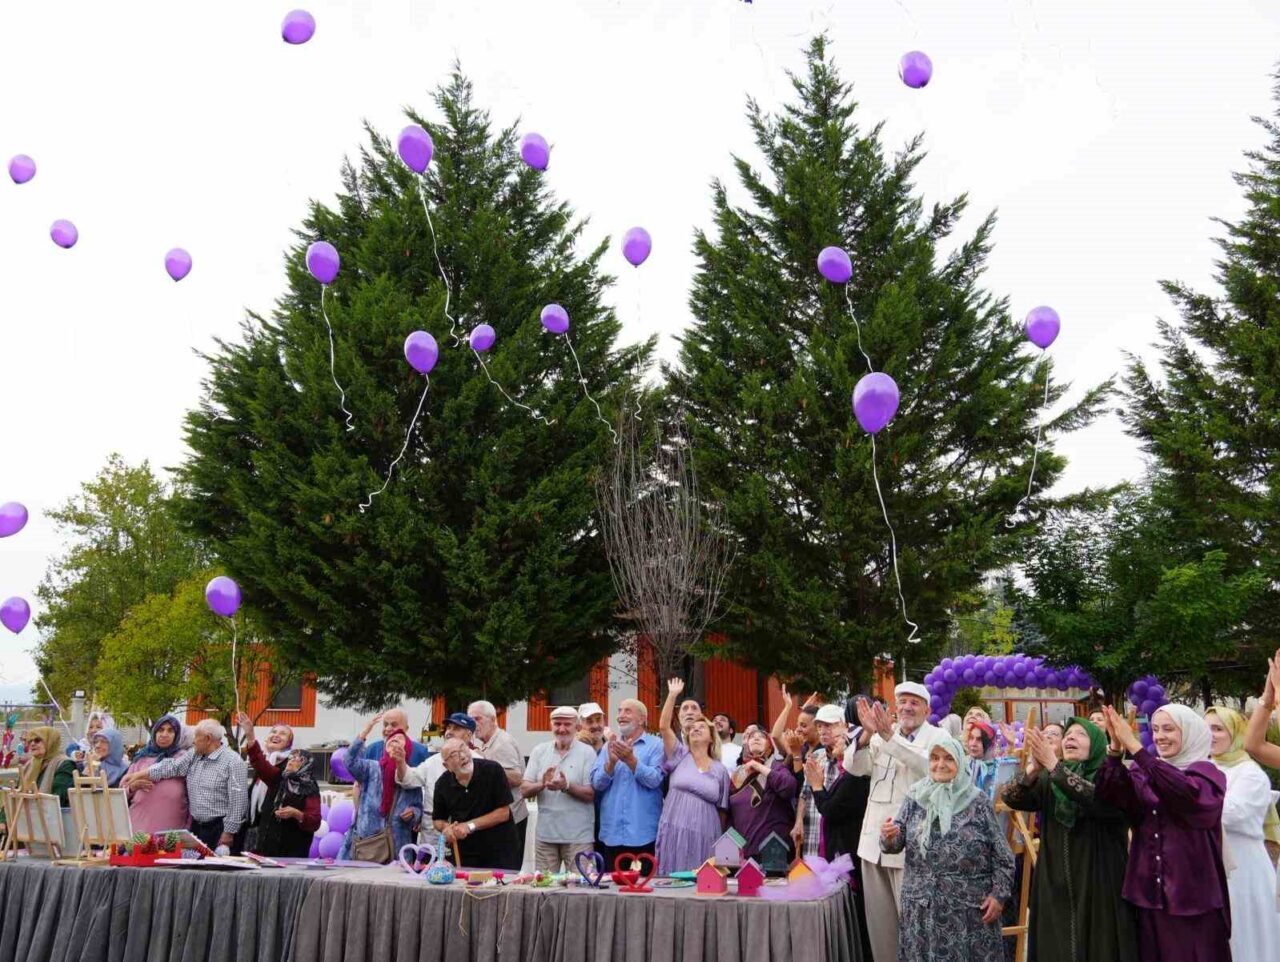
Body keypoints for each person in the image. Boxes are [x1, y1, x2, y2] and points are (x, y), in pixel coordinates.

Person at [1096, 705, 1230, 962]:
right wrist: (1115, 749)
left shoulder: (1207, 775)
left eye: (1169, 729)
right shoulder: (1143, 772)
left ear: (1189, 732)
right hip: (1149, 893)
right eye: (1155, 729)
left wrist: (1137, 749)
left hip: (1192, 895)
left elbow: (1184, 794)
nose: (1159, 737)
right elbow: (1110, 796)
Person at [1001, 719, 1139, 962]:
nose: (1071, 737)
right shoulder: (1051, 779)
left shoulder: (1112, 777)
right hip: (1055, 884)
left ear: (1097, 744)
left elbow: (1097, 800)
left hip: (1099, 886)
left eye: (1081, 734)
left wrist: (1054, 766)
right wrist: (1033, 769)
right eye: (1068, 734)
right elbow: (1010, 797)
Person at [880, 736, 1014, 962]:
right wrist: (888, 836)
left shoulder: (977, 802)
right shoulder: (915, 797)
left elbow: (1003, 857)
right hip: (921, 910)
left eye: (948, 758)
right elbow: (895, 842)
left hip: (967, 914)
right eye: (934, 758)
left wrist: (998, 896)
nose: (940, 764)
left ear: (960, 762)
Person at [848, 683, 949, 962]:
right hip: (872, 846)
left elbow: (929, 766)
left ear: (927, 709)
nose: (907, 707)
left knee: (917, 927)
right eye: (902, 702)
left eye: (914, 703)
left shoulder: (938, 737)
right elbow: (854, 767)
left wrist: (890, 737)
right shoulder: (880, 735)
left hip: (913, 850)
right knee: (881, 931)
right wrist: (866, 734)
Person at [1206, 705, 1280, 958]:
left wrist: (1192, 801)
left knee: (1245, 932)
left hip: (1244, 866)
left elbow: (1234, 813)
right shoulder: (1202, 767)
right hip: (1210, 863)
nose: (1210, 735)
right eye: (1206, 729)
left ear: (1235, 732)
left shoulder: (1250, 773)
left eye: (1218, 729)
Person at [124, 719, 247, 853]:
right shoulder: (194, 755)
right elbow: (171, 767)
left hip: (220, 829)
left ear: (208, 739)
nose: (193, 741)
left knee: (216, 865)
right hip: (197, 828)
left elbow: (238, 802)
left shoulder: (233, 762)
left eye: (196, 737)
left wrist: (229, 832)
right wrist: (139, 775)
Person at [654, 679, 731, 874]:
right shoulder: (679, 754)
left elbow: (723, 811)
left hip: (707, 833)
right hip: (675, 829)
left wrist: (720, 845)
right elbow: (664, 726)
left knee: (705, 879)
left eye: (702, 727)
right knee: (674, 877)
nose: (695, 728)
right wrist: (672, 695)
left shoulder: (720, 770)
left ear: (711, 737)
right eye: (692, 728)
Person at [590, 697, 665, 870]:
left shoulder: (656, 745)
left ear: (642, 719)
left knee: (644, 885)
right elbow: (597, 784)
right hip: (612, 834)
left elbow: (655, 780)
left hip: (644, 834)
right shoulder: (608, 746)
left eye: (627, 711)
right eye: (619, 711)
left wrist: (631, 761)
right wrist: (611, 763)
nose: (621, 715)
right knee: (612, 885)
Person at [520, 706, 596, 873]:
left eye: (567, 724)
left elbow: (591, 793)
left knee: (580, 885)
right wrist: (541, 783)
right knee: (544, 886)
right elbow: (524, 790)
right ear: (551, 725)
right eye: (557, 724)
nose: (561, 729)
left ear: (577, 727)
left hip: (578, 837)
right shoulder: (539, 751)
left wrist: (566, 786)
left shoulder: (587, 752)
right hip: (546, 835)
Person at [339, 712, 423, 861]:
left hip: (398, 850)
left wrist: (414, 813)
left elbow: (418, 807)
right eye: (391, 740)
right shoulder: (371, 768)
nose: (391, 733)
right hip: (367, 845)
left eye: (399, 739)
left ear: (407, 749)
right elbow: (348, 760)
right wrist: (364, 732)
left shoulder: (412, 776)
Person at [433, 736, 520, 868]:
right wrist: (447, 828)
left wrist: (469, 826)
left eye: (463, 748)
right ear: (447, 766)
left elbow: (503, 813)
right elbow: (438, 820)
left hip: (500, 851)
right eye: (454, 755)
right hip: (465, 854)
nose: (463, 756)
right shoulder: (442, 784)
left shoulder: (493, 770)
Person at [396, 713, 478, 850]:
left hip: (466, 841)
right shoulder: (433, 761)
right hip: (432, 841)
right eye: (449, 727)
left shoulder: (478, 762)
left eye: (456, 728)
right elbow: (409, 779)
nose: (449, 732)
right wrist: (400, 762)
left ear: (468, 735)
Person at [468, 700, 530, 859]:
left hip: (511, 820)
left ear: (493, 719)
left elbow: (516, 778)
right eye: (471, 720)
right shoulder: (488, 742)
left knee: (507, 868)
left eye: (477, 719)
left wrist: (484, 762)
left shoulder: (502, 743)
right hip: (501, 819)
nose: (473, 724)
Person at [728, 728, 798, 861]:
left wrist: (759, 767)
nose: (756, 738)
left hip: (774, 851)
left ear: (770, 747)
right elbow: (730, 813)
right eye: (751, 736)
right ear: (746, 745)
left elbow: (789, 787)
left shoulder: (777, 766)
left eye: (761, 736)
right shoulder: (737, 774)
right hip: (745, 852)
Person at [792, 703, 849, 859]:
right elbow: (805, 793)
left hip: (837, 836)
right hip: (812, 831)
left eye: (828, 725)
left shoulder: (851, 759)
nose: (823, 731)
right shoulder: (817, 756)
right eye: (819, 726)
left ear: (843, 726)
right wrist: (798, 821)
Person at [124, 713, 191, 833]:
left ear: (176, 735)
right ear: (154, 733)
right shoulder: (141, 758)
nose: (164, 734)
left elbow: (193, 795)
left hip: (172, 828)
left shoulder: (183, 758)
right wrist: (132, 787)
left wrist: (188, 826)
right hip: (139, 825)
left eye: (170, 731)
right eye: (161, 730)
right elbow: (120, 792)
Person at [247, 721, 295, 844]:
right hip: (256, 828)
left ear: (289, 743)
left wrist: (250, 735)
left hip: (277, 832)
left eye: (283, 733)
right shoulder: (266, 760)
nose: (276, 735)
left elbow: (267, 771)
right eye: (273, 732)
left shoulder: (290, 765)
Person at [16, 726, 75, 803]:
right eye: (30, 741)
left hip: (49, 809)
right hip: (26, 809)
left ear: (50, 742)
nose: (32, 744)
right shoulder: (29, 765)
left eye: (37, 740)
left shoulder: (64, 764)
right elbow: (17, 792)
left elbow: (59, 798)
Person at [965, 721, 1017, 801]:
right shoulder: (962, 764)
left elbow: (1005, 768)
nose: (973, 744)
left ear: (990, 743)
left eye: (979, 739)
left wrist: (1010, 745)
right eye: (971, 738)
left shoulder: (996, 767)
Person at [362, 707, 429, 765]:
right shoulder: (371, 750)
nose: (388, 729)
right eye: (385, 725)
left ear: (406, 728)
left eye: (394, 725)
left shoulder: (420, 752)